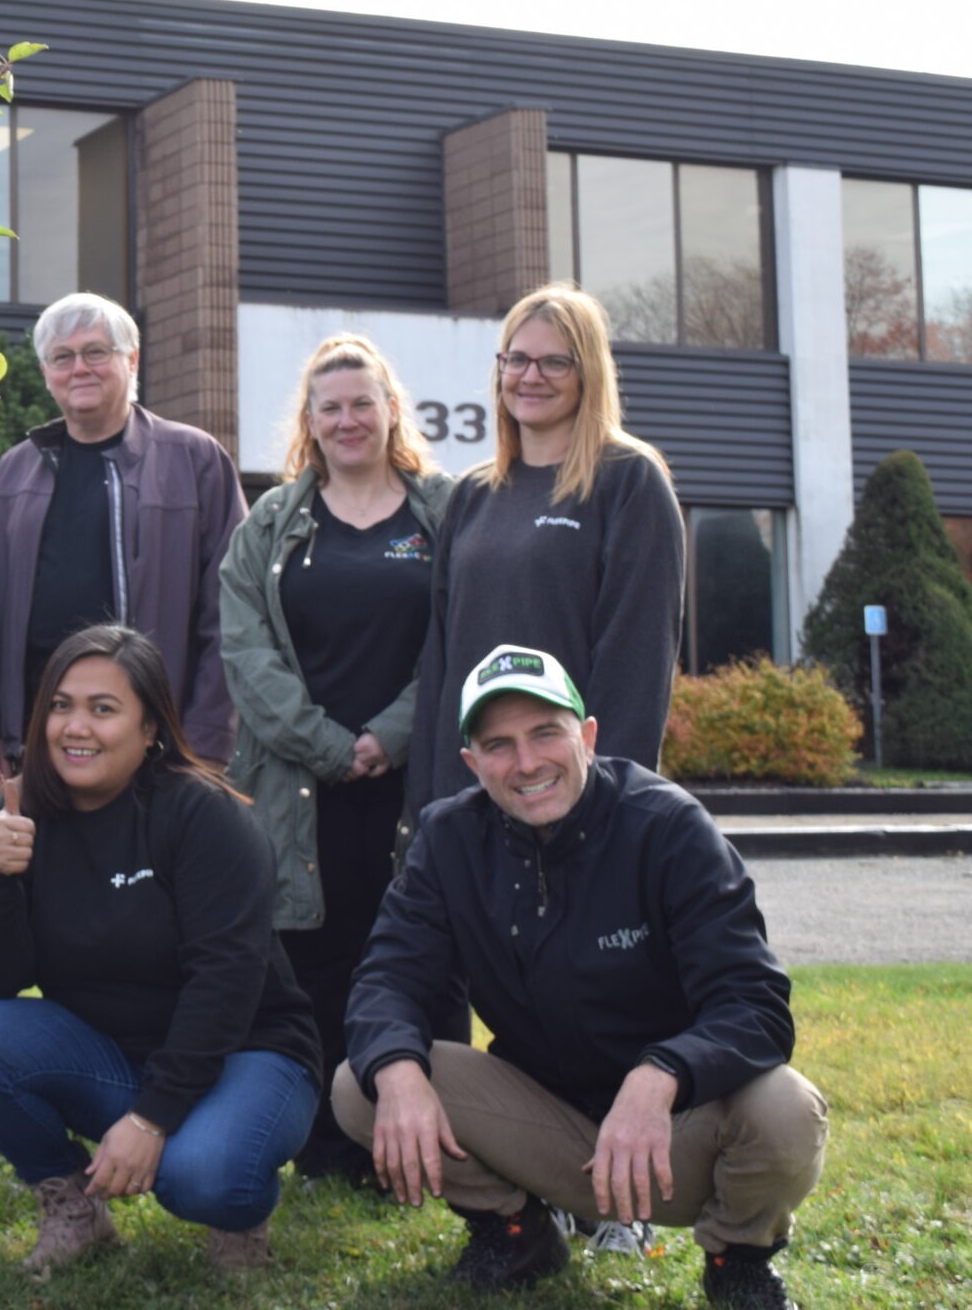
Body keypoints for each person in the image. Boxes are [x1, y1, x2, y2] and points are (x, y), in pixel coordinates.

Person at [336, 645, 828, 1309]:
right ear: (471, 763)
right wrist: (396, 1071)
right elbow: (386, 976)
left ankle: (736, 1259)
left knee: (786, 1109)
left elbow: (757, 1003)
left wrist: (661, 1075)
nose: (528, 761)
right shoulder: (447, 838)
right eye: (499, 744)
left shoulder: (669, 827)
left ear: (587, 735)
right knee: (362, 1082)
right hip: (542, 1125)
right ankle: (516, 1231)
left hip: (672, 1133)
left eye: (546, 732)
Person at [0, 625, 319, 1281]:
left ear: (151, 730)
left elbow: (225, 980)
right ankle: (74, 1206)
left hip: (245, 1051)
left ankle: (239, 1212)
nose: (75, 726)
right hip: (114, 1056)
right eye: (60, 705)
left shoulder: (204, 815)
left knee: (200, 1177)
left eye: (103, 708)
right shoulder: (19, 810)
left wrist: (152, 1119)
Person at [221, 333, 455, 1181]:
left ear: (392, 410)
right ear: (310, 423)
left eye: (364, 402)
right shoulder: (273, 522)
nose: (349, 418)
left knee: (419, 951)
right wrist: (327, 744)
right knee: (310, 960)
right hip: (297, 784)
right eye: (332, 407)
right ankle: (323, 1146)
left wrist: (387, 737)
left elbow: (457, 639)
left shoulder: (444, 512)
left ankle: (429, 1146)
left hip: (416, 782)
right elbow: (244, 651)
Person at [401, 283, 685, 845]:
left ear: (589, 375)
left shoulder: (629, 481)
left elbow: (636, 666)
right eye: (517, 359)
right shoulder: (473, 495)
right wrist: (426, 805)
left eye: (555, 362)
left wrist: (606, 813)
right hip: (470, 798)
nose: (531, 377)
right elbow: (441, 662)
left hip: (568, 802)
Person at [0, 293, 246, 781]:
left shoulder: (195, 461)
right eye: (62, 357)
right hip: (40, 745)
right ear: (45, 372)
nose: (79, 368)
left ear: (132, 359)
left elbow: (230, 613)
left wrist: (206, 741)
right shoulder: (16, 470)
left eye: (96, 352)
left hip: (161, 749)